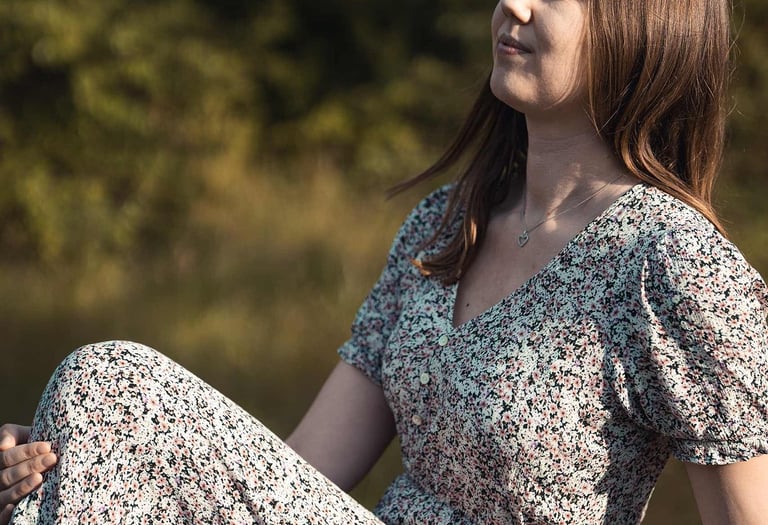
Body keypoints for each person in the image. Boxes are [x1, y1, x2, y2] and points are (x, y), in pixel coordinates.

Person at [1, 0, 767, 522]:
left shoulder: (671, 262)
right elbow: (298, 475)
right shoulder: (443, 225)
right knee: (97, 404)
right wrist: (70, 460)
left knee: (112, 381)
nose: (516, 5)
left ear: (647, 24)